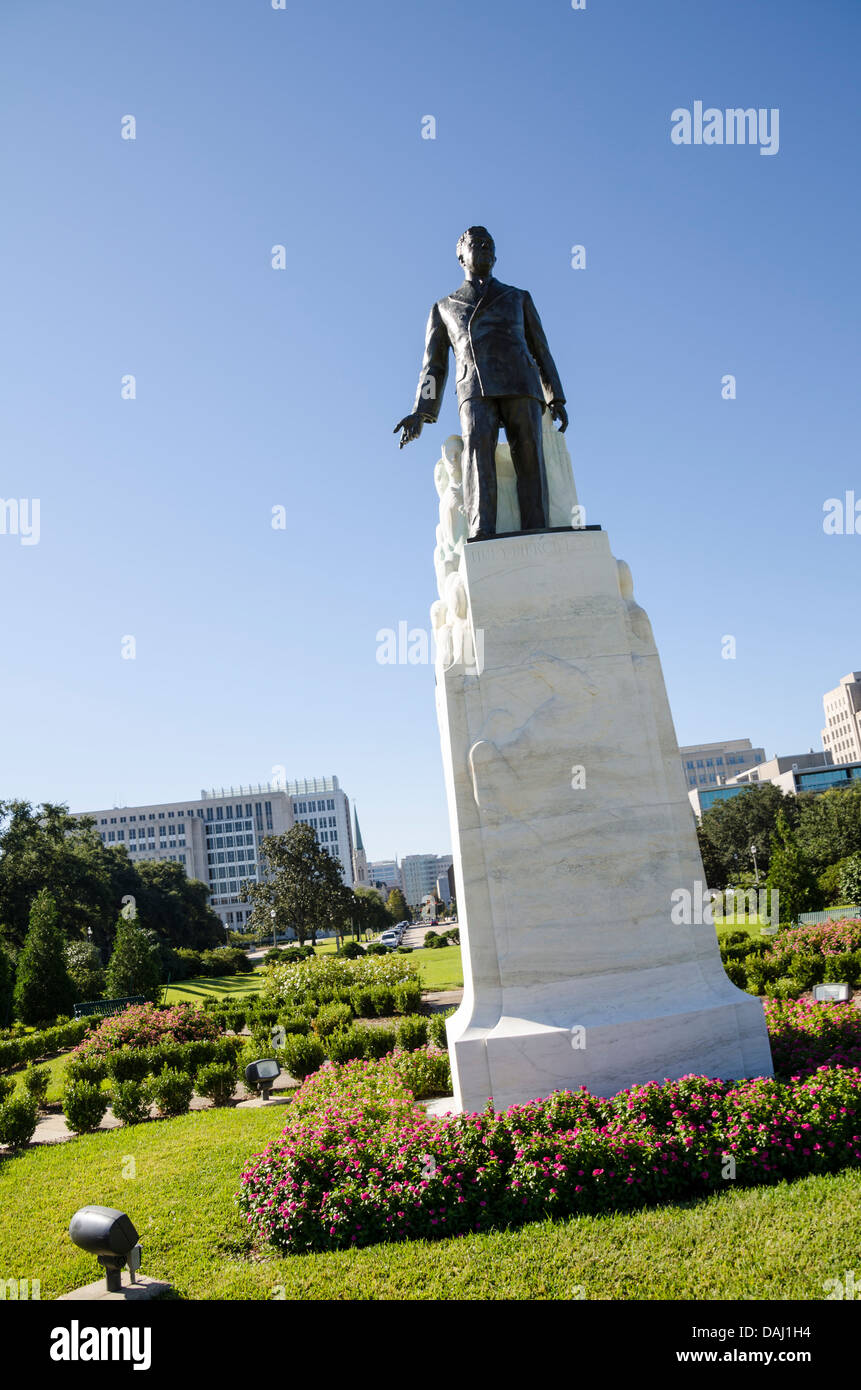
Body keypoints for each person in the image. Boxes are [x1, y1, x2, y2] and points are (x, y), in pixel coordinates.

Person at [394, 226, 568, 540]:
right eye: (477, 244)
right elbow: (434, 367)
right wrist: (420, 411)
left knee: (530, 456)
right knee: (477, 456)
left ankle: (537, 531)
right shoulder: (444, 307)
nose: (485, 248)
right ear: (461, 255)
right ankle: (482, 530)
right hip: (474, 387)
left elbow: (541, 349)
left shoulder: (518, 297)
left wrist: (555, 396)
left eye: (490, 244)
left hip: (521, 382)